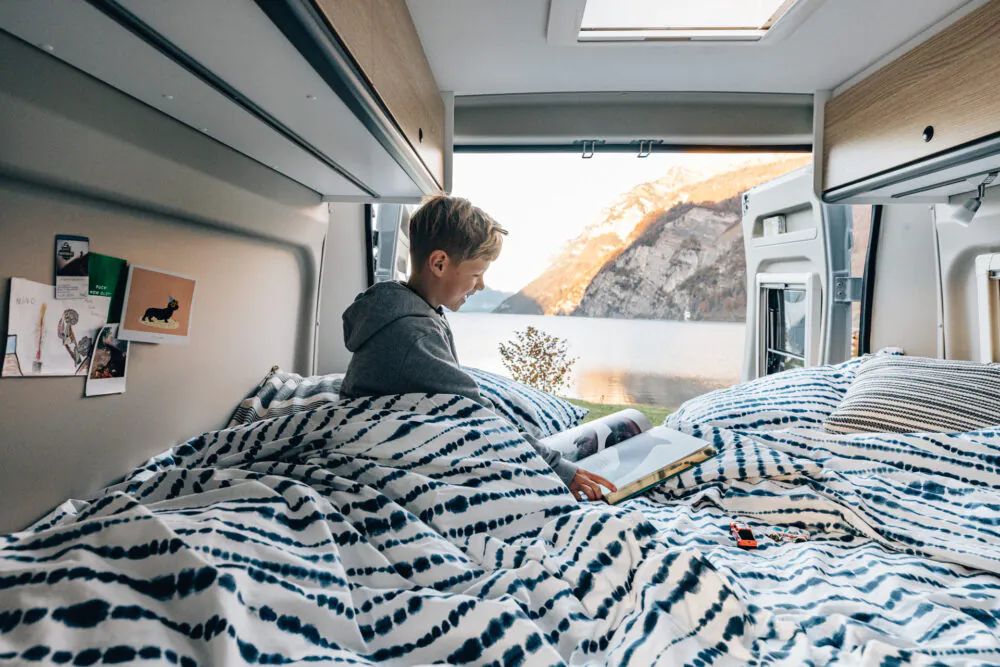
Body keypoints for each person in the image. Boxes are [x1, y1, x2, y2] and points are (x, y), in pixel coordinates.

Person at [340, 195, 615, 501]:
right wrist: (560, 470)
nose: (481, 285)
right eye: (476, 274)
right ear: (440, 263)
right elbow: (479, 413)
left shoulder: (412, 310)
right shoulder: (412, 332)